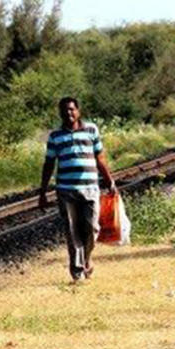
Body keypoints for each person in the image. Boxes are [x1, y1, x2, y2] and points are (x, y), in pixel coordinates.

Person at [39, 97, 116, 281]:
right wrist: (42, 192)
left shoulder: (91, 130)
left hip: (90, 188)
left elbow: (100, 158)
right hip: (66, 190)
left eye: (72, 109)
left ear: (78, 111)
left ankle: (87, 259)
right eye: (65, 110)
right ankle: (77, 271)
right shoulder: (55, 136)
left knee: (92, 227)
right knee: (72, 230)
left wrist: (109, 181)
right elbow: (49, 164)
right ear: (60, 113)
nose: (69, 113)